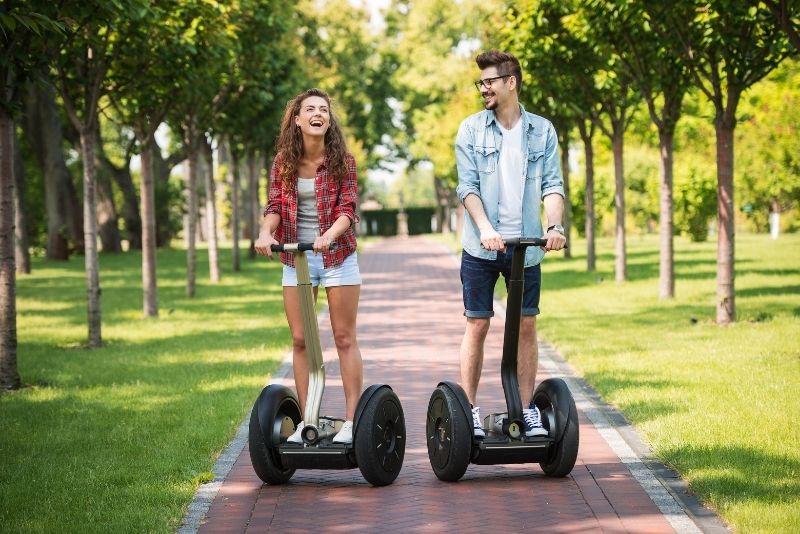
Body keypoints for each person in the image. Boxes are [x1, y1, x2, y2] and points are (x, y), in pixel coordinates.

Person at [454, 50, 567, 438]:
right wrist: (485, 227)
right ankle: (467, 410)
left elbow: (552, 185)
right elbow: (467, 187)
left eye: (489, 81)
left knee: (526, 325)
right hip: (481, 248)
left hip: (527, 247)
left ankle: (526, 409)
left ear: (510, 82)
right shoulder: (470, 129)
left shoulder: (543, 131)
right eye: (480, 82)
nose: (483, 88)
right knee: (478, 324)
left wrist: (554, 225)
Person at [255, 88, 362, 444]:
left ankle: (351, 422)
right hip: (296, 257)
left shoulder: (342, 161)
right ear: (297, 119)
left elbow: (348, 209)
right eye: (310, 109)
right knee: (301, 340)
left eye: (324, 109)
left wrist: (328, 235)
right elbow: (274, 206)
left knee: (344, 337)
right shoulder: (283, 161)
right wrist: (265, 233)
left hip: (337, 257)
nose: (318, 113)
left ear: (328, 120)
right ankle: (308, 420)